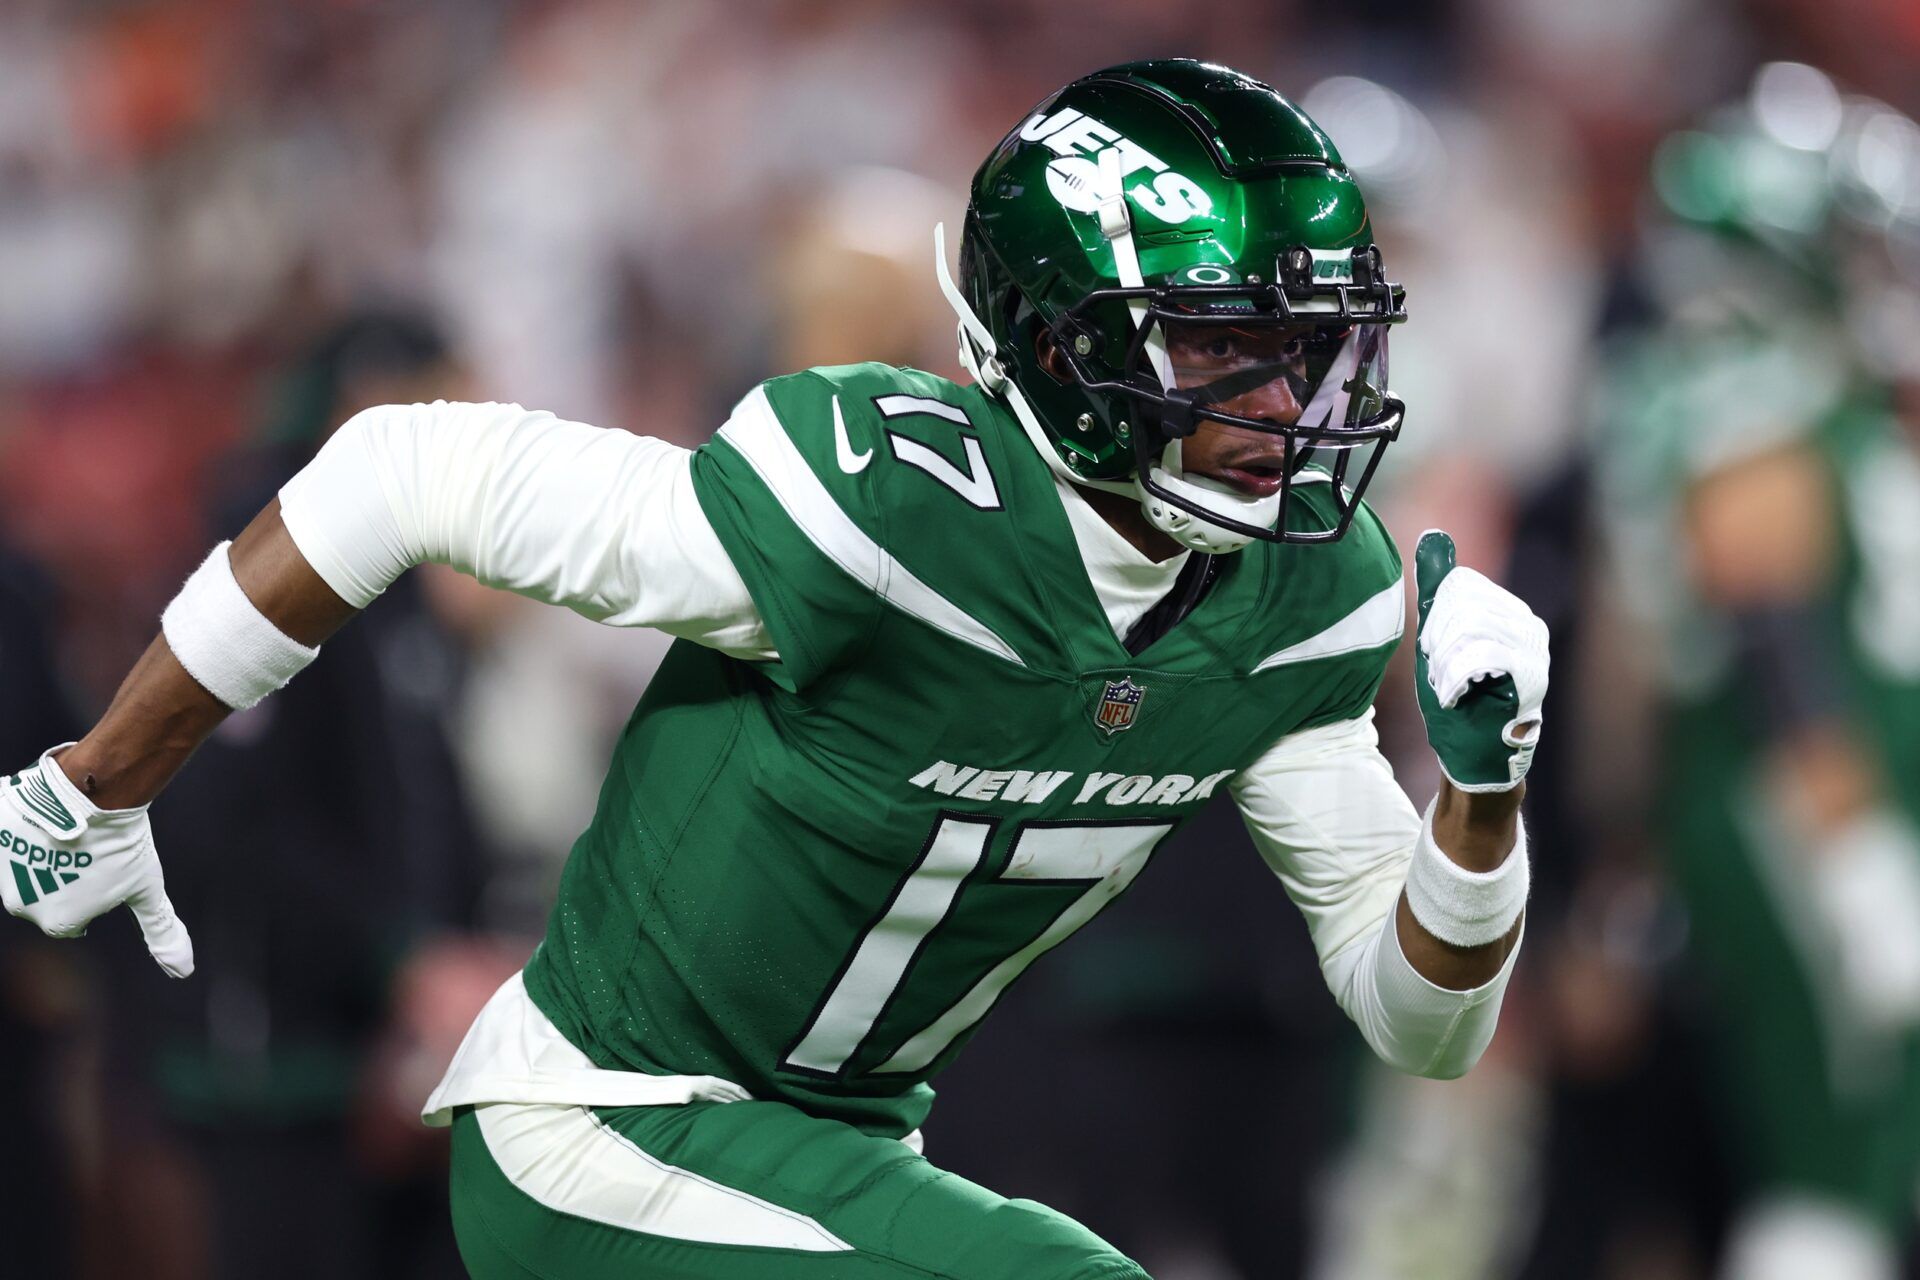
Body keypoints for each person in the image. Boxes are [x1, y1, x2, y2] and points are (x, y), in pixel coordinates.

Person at [0, 61, 1550, 1279]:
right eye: (1228, 350)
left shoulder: (1301, 602)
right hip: (604, 1131)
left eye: (1317, 346)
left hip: (844, 1158)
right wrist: (93, 785)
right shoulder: (878, 508)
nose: (1293, 401)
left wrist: (1478, 803)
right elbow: (397, 470)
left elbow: (1424, 1020)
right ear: (1070, 354)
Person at [1595, 64, 1920, 1280]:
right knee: (1833, 1144)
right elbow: (1774, 631)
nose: (1874, 266)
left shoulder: (1766, 379)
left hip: (1814, 794)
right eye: (1845, 237)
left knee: (1867, 1142)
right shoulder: (1744, 392)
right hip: (1800, 802)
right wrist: (1855, 855)